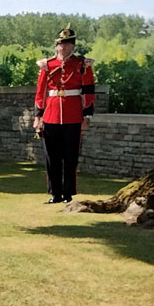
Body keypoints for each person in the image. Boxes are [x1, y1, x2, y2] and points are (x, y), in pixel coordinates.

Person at [33, 25, 95, 204]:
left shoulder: (81, 64)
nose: (64, 47)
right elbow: (41, 92)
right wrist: (38, 116)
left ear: (73, 46)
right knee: (52, 157)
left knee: (70, 156)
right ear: (56, 45)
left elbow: (88, 90)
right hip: (51, 114)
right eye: (61, 44)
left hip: (73, 115)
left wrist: (87, 116)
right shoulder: (47, 65)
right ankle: (55, 193)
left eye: (68, 44)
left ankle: (68, 193)